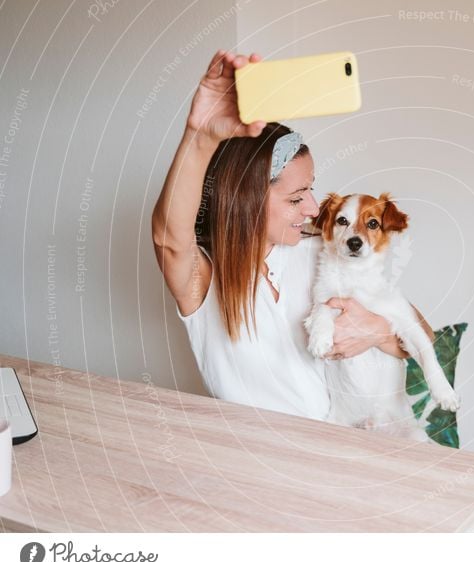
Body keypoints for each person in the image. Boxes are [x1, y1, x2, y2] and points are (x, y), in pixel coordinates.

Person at [151, 50, 433, 421]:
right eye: (297, 197)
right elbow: (169, 238)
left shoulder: (322, 251)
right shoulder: (204, 280)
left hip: (332, 446)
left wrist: (377, 332)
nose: (314, 208)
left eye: (311, 190)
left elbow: (424, 336)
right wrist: (200, 135)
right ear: (246, 203)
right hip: (254, 456)